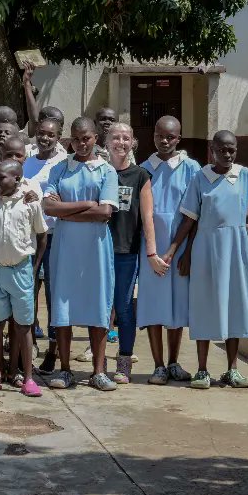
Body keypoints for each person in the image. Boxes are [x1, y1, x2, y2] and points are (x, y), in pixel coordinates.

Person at [164, 131, 248, 389]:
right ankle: (202, 369)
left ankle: (232, 369)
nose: (227, 155)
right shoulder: (200, 178)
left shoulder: (243, 175)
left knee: (235, 304)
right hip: (205, 247)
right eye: (222, 150)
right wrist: (181, 252)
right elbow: (190, 219)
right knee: (204, 304)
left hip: (235, 247)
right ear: (211, 150)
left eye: (232, 150)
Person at [42, 117, 119, 392]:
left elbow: (106, 212)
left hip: (95, 249)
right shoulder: (60, 169)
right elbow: (48, 208)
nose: (81, 143)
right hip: (65, 248)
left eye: (86, 138)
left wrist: (68, 209)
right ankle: (65, 370)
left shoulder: (106, 171)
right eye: (76, 138)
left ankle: (98, 371)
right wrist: (88, 204)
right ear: (69, 140)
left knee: (97, 304)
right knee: (63, 307)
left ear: (95, 138)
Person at [0, 160, 48, 397]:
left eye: (1, 178)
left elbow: (42, 236)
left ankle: (27, 378)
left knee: (24, 326)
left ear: (17, 179)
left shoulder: (30, 203)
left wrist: (34, 270)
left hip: (21, 270)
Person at [138, 116, 201, 385]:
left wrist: (186, 252)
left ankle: (174, 362)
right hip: (150, 248)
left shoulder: (191, 168)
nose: (164, 141)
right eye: (160, 135)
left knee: (176, 306)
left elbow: (196, 214)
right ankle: (159, 365)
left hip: (181, 246)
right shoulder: (143, 169)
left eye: (170, 137)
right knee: (154, 304)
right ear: (153, 135)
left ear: (179, 138)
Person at [105, 122, 163, 385]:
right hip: (97, 251)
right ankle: (97, 363)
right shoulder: (99, 172)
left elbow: (147, 217)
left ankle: (124, 360)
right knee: (98, 308)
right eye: (116, 137)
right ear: (106, 142)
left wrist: (151, 253)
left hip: (126, 252)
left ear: (133, 143)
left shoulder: (141, 176)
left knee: (125, 308)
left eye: (126, 138)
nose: (121, 142)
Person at [23, 117, 68, 371]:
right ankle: (29, 346)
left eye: (51, 135)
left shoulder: (62, 164)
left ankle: (53, 348)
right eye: (41, 133)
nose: (45, 138)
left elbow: (58, 198)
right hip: (28, 238)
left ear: (59, 136)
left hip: (53, 236)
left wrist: (39, 198)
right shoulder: (27, 161)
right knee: (28, 293)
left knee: (53, 295)